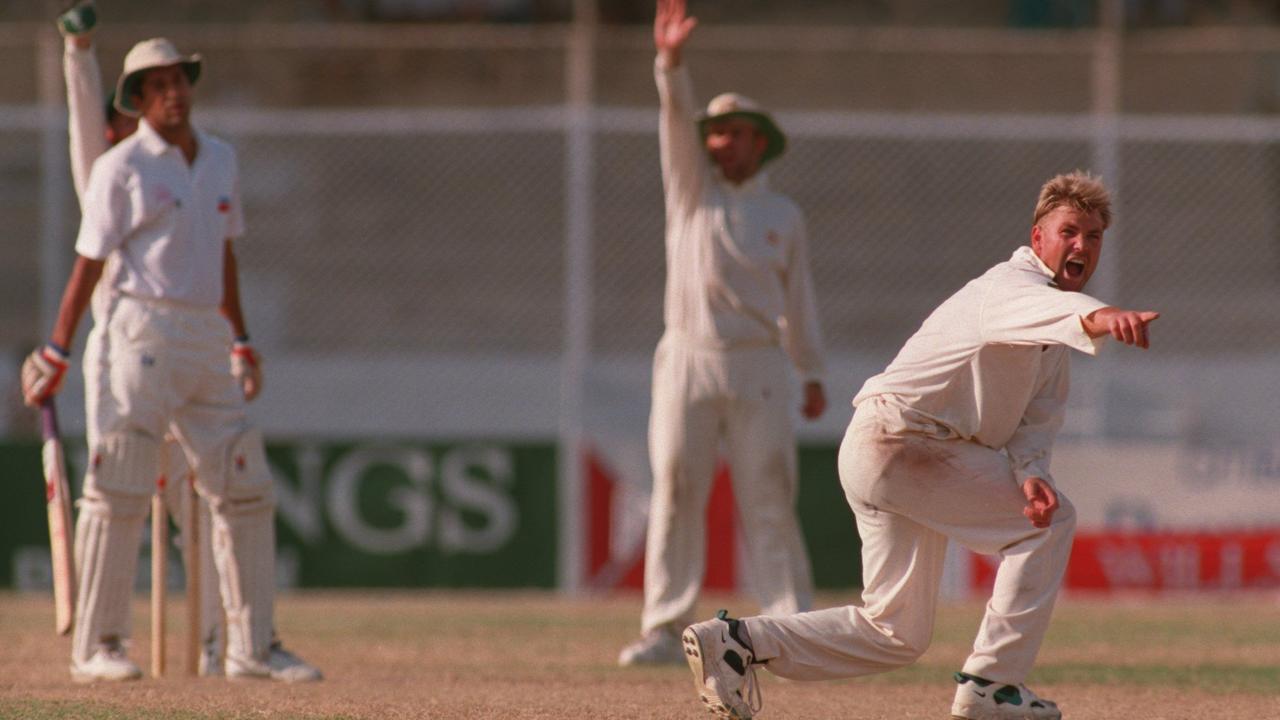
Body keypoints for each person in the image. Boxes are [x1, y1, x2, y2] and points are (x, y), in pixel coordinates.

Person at [679, 171, 1160, 720]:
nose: (1082, 245)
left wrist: (1032, 472)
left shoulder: (1047, 330)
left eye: (1093, 236)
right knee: (1049, 528)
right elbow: (1044, 311)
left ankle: (739, 641)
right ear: (1037, 238)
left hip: (889, 451)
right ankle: (992, 687)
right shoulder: (1009, 288)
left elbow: (1037, 418)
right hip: (904, 440)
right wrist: (1101, 317)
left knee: (896, 632)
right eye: (1069, 230)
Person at [21, 34, 320, 684]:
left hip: (207, 337)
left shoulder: (219, 160)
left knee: (244, 486)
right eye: (158, 85)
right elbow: (89, 263)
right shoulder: (119, 167)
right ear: (139, 98)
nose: (175, 92)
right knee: (120, 483)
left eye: (181, 80)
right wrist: (56, 348)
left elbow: (225, 256)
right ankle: (97, 646)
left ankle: (252, 646)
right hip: (139, 335)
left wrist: (240, 338)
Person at [618, 0, 828, 667]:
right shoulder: (690, 193)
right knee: (676, 487)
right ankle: (662, 627)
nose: (720, 143)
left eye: (735, 133)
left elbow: (801, 299)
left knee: (769, 489)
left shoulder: (782, 213)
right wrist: (669, 64)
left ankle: (787, 623)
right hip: (687, 356)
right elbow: (674, 121)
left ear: (758, 142)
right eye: (715, 133)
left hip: (760, 363)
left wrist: (811, 369)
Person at [55, 0, 228, 678]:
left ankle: (222, 642)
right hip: (120, 358)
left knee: (204, 499)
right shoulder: (106, 173)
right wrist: (78, 55)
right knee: (120, 496)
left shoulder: (189, 167)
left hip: (184, 352)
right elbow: (80, 132)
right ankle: (102, 642)